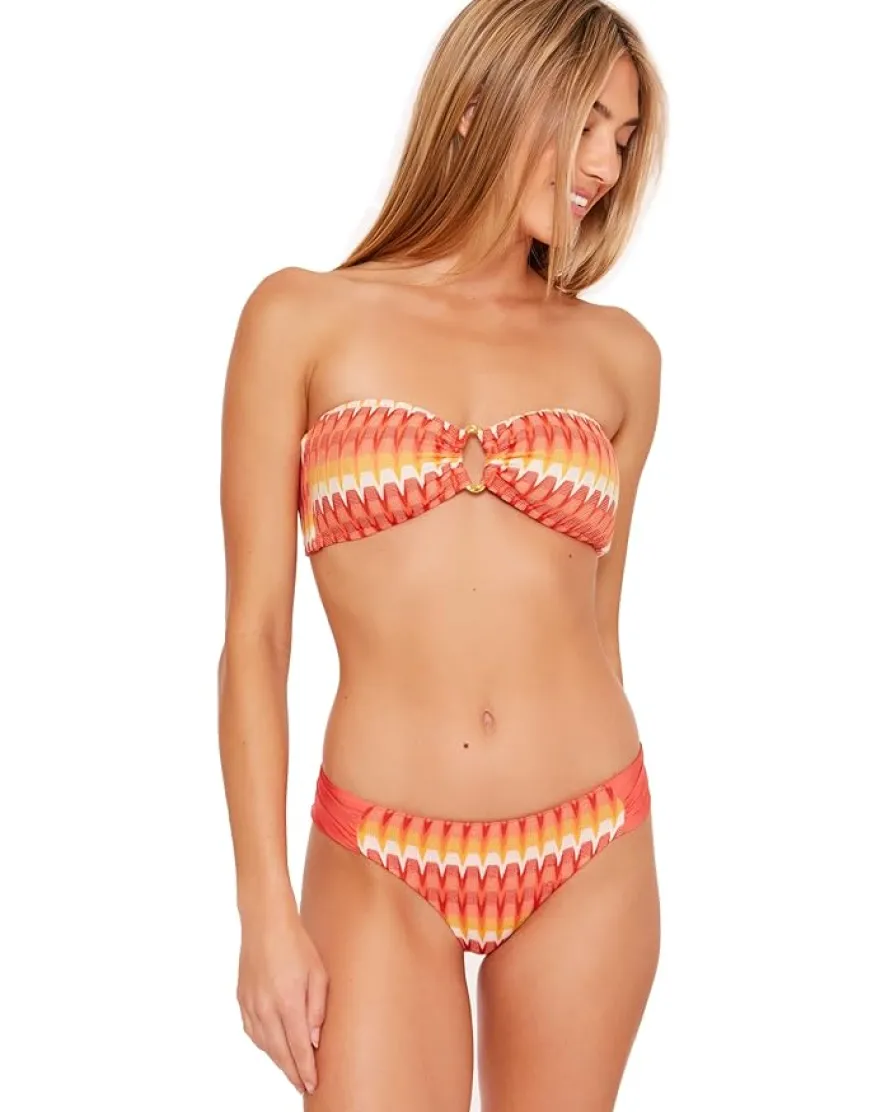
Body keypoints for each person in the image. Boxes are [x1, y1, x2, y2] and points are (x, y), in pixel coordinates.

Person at [217, 0, 667, 1108]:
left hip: (590, 840)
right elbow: (254, 638)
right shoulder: (299, 319)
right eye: (585, 122)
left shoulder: (621, 356)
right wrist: (263, 908)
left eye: (622, 136)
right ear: (476, 103)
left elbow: (598, 626)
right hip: (377, 853)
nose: (604, 164)